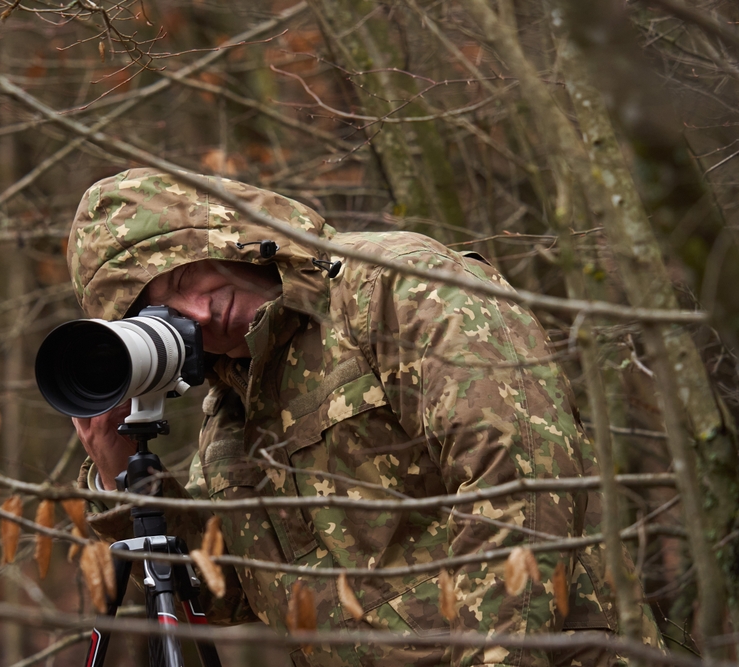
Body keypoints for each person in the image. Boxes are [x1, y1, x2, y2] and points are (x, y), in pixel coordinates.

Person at [66, 168, 658, 666]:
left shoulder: (394, 287)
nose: (198, 308)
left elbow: (524, 485)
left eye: (183, 273)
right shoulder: (230, 412)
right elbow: (229, 589)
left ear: (220, 236)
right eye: (162, 308)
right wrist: (121, 479)